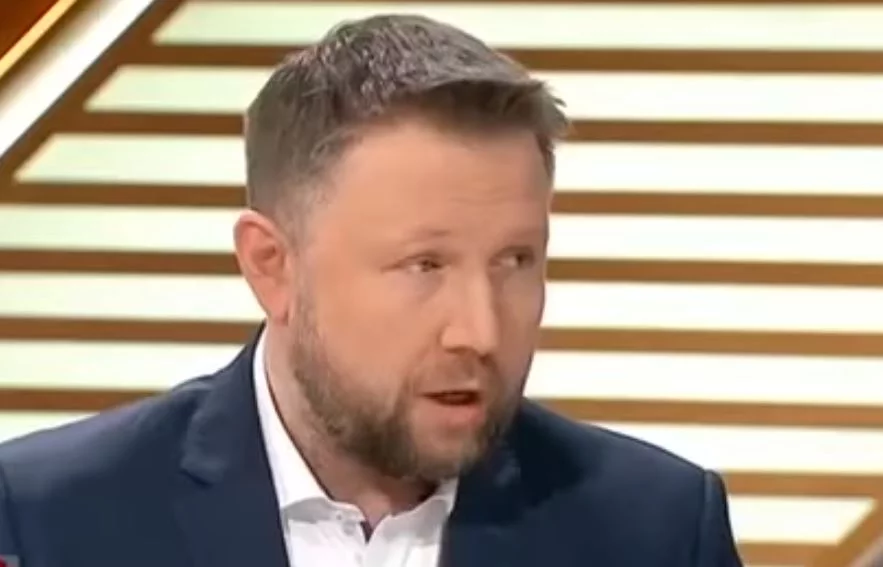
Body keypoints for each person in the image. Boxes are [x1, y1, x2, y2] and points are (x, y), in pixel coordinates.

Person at [0, 14, 743, 567]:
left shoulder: (657, 531)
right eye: (424, 266)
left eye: (515, 260)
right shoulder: (47, 520)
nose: (479, 332)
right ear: (271, 266)